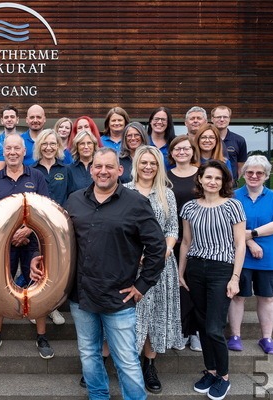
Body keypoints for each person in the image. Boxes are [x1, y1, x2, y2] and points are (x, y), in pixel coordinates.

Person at [31, 147, 166, 400]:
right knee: (89, 354)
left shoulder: (136, 202)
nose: (103, 171)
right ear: (91, 170)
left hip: (119, 297)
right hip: (81, 295)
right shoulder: (74, 200)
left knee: (126, 359)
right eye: (98, 166)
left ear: (119, 170)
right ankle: (98, 396)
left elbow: (157, 247)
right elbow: (61, 241)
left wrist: (142, 284)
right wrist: (42, 258)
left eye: (109, 167)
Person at [0, 134, 54, 359]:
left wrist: (28, 230)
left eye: (17, 148)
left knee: (39, 284)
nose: (12, 152)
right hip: (4, 243)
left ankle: (41, 336)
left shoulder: (37, 176)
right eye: (8, 148)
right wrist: (11, 233)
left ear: (25, 152)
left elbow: (45, 210)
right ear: (4, 152)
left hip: (33, 240)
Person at [179, 160, 246, 400]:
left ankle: (224, 377)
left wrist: (235, 277)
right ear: (200, 179)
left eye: (218, 178)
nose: (213, 182)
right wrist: (180, 272)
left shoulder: (233, 206)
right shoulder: (189, 208)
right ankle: (210, 370)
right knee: (202, 325)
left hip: (222, 270)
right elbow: (186, 242)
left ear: (223, 182)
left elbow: (239, 244)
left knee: (214, 328)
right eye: (209, 177)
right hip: (195, 269)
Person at [124, 146, 182, 394]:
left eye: (153, 163)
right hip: (128, 266)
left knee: (155, 318)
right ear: (136, 164)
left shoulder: (166, 194)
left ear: (159, 167)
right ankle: (117, 363)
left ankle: (149, 365)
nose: (148, 167)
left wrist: (164, 251)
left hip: (160, 265)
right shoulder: (124, 191)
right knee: (127, 316)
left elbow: (172, 229)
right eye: (144, 162)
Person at [228, 155, 273, 355]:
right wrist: (250, 242)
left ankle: (267, 338)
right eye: (250, 172)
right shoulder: (234, 196)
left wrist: (252, 233)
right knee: (237, 297)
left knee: (267, 298)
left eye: (259, 173)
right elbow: (230, 226)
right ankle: (235, 335)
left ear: (266, 176)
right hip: (240, 257)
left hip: (268, 258)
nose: (254, 176)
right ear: (243, 174)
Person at [31, 128, 73, 325]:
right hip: (36, 227)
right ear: (39, 146)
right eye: (45, 144)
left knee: (56, 269)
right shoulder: (31, 170)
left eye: (52, 144)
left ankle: (52, 307)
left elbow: (72, 198)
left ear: (58, 146)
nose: (48, 147)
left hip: (59, 228)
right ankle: (37, 306)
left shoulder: (65, 170)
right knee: (38, 267)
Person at [167, 135, 202, 352]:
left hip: (199, 240)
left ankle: (196, 332)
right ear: (171, 153)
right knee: (179, 288)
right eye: (177, 149)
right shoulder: (166, 177)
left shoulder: (201, 174)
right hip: (173, 241)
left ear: (192, 151)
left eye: (186, 148)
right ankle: (180, 330)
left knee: (196, 285)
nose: (182, 152)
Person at [210, 105, 248, 180]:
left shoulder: (239, 140)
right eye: (218, 117)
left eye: (225, 117)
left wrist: (234, 180)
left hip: (231, 187)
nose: (222, 119)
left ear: (229, 119)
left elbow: (241, 165)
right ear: (212, 119)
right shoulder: (205, 140)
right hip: (209, 184)